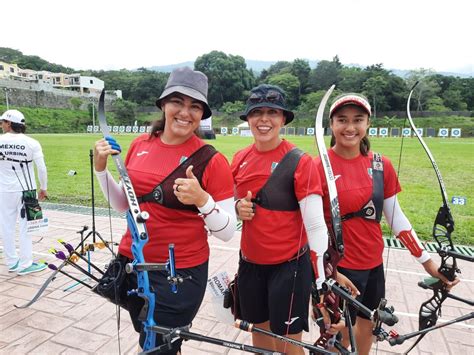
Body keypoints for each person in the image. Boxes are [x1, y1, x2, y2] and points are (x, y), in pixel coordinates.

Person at [94, 66, 237, 354]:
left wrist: (202, 200)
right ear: (163, 105)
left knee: (162, 345)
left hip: (178, 273)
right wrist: (100, 169)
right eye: (177, 102)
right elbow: (125, 204)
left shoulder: (212, 160)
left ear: (202, 114)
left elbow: (228, 232)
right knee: (147, 337)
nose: (185, 112)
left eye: (195, 106)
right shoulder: (139, 145)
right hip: (133, 262)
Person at [314, 93, 460, 355]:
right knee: (340, 334)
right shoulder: (317, 166)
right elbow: (309, 227)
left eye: (358, 120)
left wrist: (428, 263)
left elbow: (397, 218)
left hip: (373, 263)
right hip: (340, 267)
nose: (350, 127)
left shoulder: (381, 166)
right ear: (331, 124)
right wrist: (329, 273)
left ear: (368, 123)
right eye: (342, 120)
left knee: (370, 323)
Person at [231, 84, 330, 354]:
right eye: (257, 113)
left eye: (272, 112)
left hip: (289, 268)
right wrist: (237, 207)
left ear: (283, 119)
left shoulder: (300, 161)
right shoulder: (240, 158)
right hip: (250, 265)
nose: (264, 120)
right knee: (259, 339)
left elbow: (315, 224)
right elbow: (227, 204)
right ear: (248, 119)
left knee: (288, 345)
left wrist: (320, 277)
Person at [0, 109, 48, 275]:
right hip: (27, 190)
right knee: (27, 226)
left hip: (4, 189)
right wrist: (44, 187)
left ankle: (12, 262)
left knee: (6, 226)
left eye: (2, 122)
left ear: (9, 123)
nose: (1, 125)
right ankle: (25, 264)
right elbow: (41, 168)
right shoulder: (31, 142)